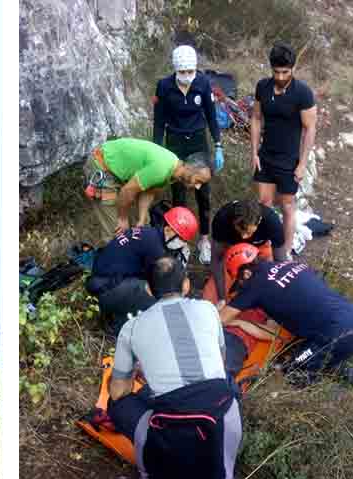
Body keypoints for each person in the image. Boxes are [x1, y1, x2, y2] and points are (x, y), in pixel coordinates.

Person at [106, 257, 240, 479]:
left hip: (170, 430)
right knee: (226, 385)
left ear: (148, 289)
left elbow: (118, 392)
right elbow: (219, 361)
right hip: (219, 414)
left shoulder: (132, 328)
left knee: (117, 404)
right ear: (186, 284)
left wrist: (138, 371)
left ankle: (148, 465)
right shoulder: (209, 309)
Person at [219, 244, 353, 385]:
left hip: (336, 334)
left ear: (246, 273)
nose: (241, 288)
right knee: (313, 353)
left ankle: (333, 397)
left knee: (290, 372)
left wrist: (223, 311)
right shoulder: (291, 264)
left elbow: (219, 320)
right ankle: (344, 372)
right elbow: (273, 333)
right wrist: (239, 323)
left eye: (240, 283)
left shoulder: (255, 285)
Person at [153, 45, 223, 265]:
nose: (186, 77)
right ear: (175, 70)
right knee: (179, 195)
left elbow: (212, 117)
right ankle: (180, 242)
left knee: (203, 195)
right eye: (182, 72)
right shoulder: (164, 87)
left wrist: (218, 144)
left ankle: (204, 239)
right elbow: (159, 122)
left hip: (198, 141)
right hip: (175, 143)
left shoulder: (202, 83)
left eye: (190, 72)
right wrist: (157, 150)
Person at [251, 42, 317, 260]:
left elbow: (309, 129)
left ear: (293, 68)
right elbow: (256, 118)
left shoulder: (303, 93)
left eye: (285, 72)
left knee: (288, 205)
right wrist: (254, 152)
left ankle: (285, 251)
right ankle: (265, 247)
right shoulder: (263, 87)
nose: (280, 76)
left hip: (289, 159)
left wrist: (302, 164)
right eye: (276, 71)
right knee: (264, 204)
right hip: (266, 155)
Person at [86, 207, 199, 334]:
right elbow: (162, 285)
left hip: (103, 279)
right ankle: (119, 326)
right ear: (169, 230)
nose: (183, 244)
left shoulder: (151, 234)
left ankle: (115, 314)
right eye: (182, 239)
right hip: (104, 287)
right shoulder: (155, 249)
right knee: (152, 292)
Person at [83, 137, 211, 243]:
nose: (198, 187)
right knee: (117, 234)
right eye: (199, 181)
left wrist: (142, 219)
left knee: (143, 227)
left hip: (118, 173)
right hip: (102, 165)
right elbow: (127, 192)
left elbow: (148, 192)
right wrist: (122, 219)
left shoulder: (172, 171)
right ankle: (112, 268)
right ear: (190, 167)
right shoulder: (162, 169)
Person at [206, 199, 285, 305]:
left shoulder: (272, 222)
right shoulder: (222, 218)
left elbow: (280, 263)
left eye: (248, 232)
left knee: (270, 292)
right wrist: (221, 299)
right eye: (240, 230)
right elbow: (216, 259)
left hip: (260, 251)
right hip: (233, 253)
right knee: (211, 297)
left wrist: (279, 289)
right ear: (233, 220)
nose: (243, 237)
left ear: (259, 220)